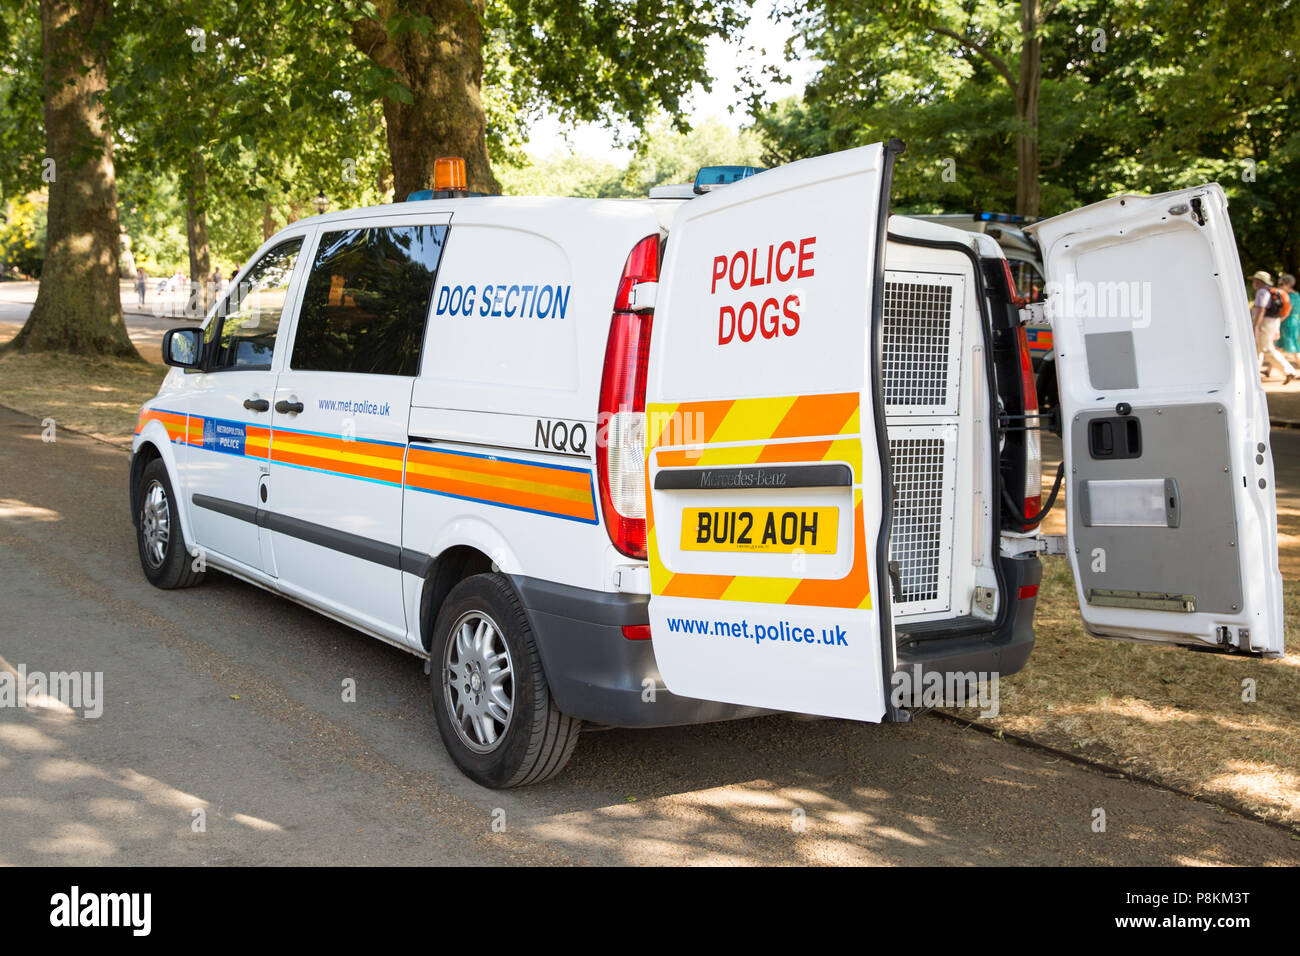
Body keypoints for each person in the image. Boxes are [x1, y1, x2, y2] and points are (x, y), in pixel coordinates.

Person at [1250, 270, 1296, 383]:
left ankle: (1289, 371)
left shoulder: (1262, 292)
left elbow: (1261, 309)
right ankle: (1253, 374)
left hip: (1264, 323)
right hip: (1272, 322)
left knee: (1266, 349)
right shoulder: (1271, 291)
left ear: (1259, 281)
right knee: (1257, 349)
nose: (1253, 283)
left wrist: (1256, 325)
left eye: (1255, 280)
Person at [1280, 274, 1300, 366]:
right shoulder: (1296, 295)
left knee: (1293, 346)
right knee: (1278, 346)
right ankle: (1269, 369)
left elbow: (1287, 312)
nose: (1279, 286)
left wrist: (1278, 321)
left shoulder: (1291, 296)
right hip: (1292, 321)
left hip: (1289, 322)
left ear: (1288, 284)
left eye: (1281, 284)